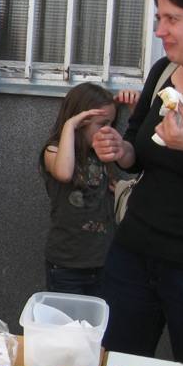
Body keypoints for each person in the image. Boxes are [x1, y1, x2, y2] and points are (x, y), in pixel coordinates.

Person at [92, 0, 183, 363]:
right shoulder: (163, 72)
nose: (160, 31)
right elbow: (136, 151)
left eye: (172, 19)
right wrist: (121, 149)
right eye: (158, 18)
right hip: (135, 250)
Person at [39, 83, 119, 297]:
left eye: (111, 124)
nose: (108, 130)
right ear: (80, 122)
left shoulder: (103, 154)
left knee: (99, 317)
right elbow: (64, 173)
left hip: (103, 261)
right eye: (102, 124)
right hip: (67, 264)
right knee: (68, 317)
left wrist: (135, 107)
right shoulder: (54, 151)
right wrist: (69, 126)